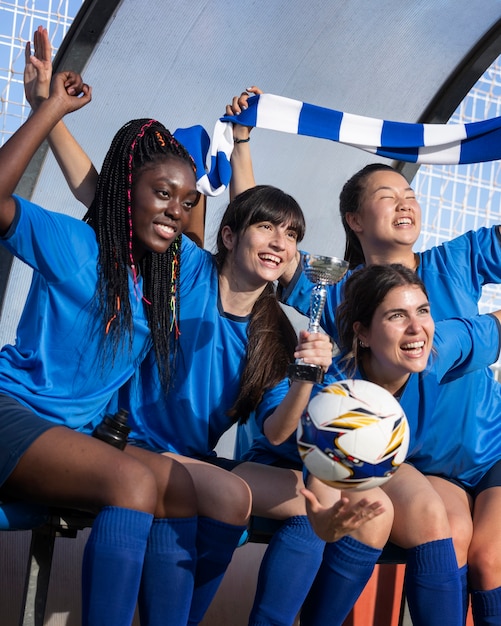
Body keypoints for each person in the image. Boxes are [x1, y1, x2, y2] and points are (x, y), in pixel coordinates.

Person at [24, 28, 393, 626]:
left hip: (188, 457)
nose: (281, 242)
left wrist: (305, 377)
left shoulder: (275, 332)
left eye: (293, 235)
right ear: (227, 236)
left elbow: (277, 432)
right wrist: (48, 110)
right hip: (121, 438)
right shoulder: (183, 268)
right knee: (211, 493)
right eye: (268, 229)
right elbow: (105, 196)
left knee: (265, 497)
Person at [228, 88, 501, 624]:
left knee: (490, 558)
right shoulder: (337, 291)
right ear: (354, 219)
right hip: (417, 463)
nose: (405, 202)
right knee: (447, 534)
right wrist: (241, 141)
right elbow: (258, 233)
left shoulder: (456, 261)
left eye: (409, 193)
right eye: (386, 195)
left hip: (488, 456)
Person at [0, 54, 210, 626]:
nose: (177, 210)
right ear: (127, 191)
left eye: (187, 201)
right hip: (11, 410)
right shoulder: (74, 245)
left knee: (183, 490)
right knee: (132, 482)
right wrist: (48, 111)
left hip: (70, 434)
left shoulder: (171, 271)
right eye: (164, 193)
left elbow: (248, 261)